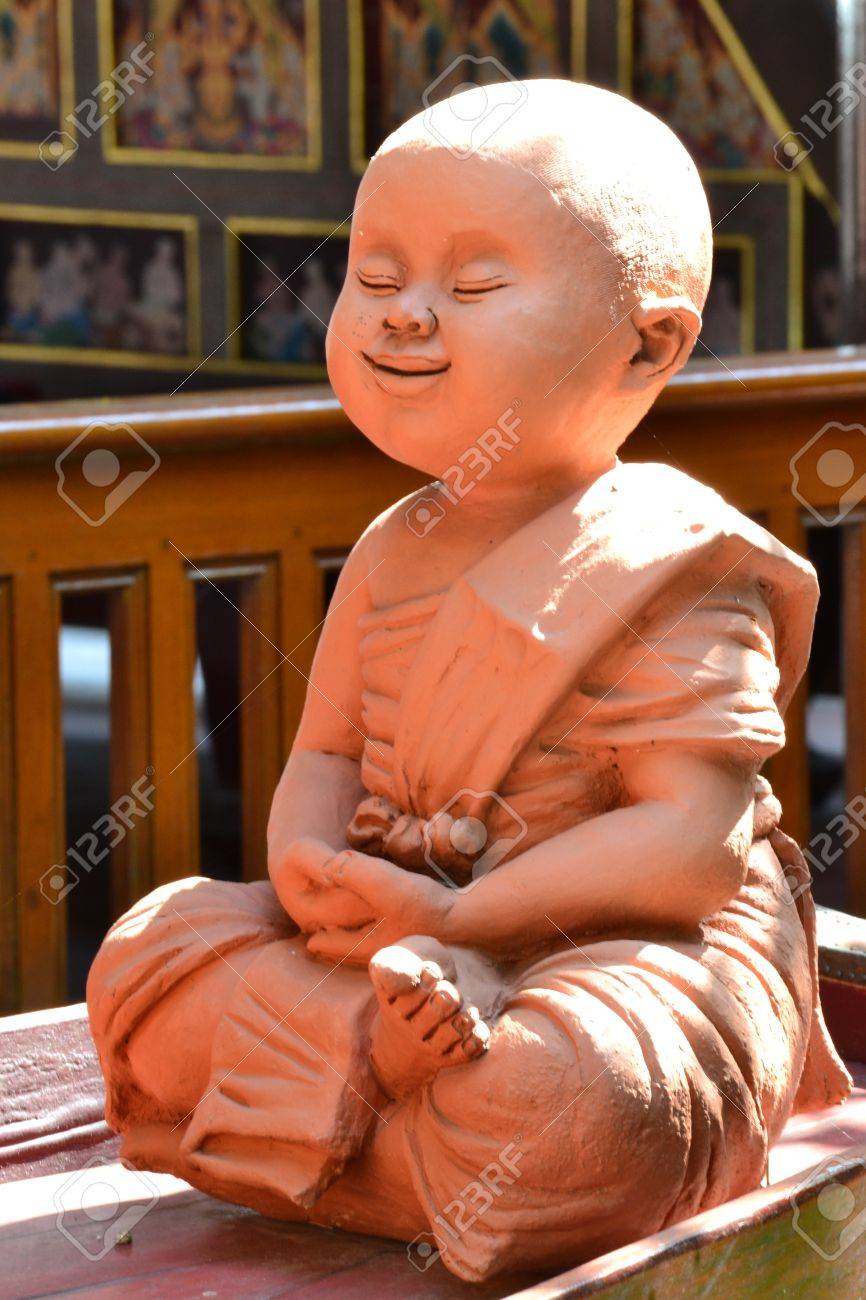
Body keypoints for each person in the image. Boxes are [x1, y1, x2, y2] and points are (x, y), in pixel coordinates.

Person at [88, 81, 850, 1284]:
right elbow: (327, 755)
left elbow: (686, 847)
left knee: (585, 1104)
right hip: (386, 944)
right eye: (374, 277)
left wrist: (458, 921)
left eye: (474, 285)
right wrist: (306, 862)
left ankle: (339, 1120)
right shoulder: (392, 544)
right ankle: (386, 1079)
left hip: (609, 949)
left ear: (649, 342)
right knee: (146, 960)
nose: (403, 316)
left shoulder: (676, 563)